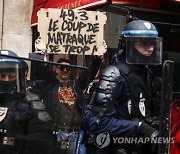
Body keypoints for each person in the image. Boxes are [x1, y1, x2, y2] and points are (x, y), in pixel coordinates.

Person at [82, 20, 162, 154]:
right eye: (144, 43)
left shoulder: (147, 74)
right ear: (128, 45)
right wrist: (139, 127)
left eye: (152, 43)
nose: (151, 48)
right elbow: (96, 123)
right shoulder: (114, 74)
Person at [30, 55, 103, 154]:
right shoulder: (51, 85)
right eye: (61, 68)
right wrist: (43, 59)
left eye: (68, 68)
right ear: (56, 70)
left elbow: (88, 74)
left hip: (76, 132)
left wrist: (98, 59)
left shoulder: (76, 85)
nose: (65, 70)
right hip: (57, 132)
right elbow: (47, 72)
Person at [0, 50, 54, 154]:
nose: (7, 80)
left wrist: (18, 139)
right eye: (2, 76)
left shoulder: (30, 103)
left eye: (11, 76)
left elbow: (43, 138)